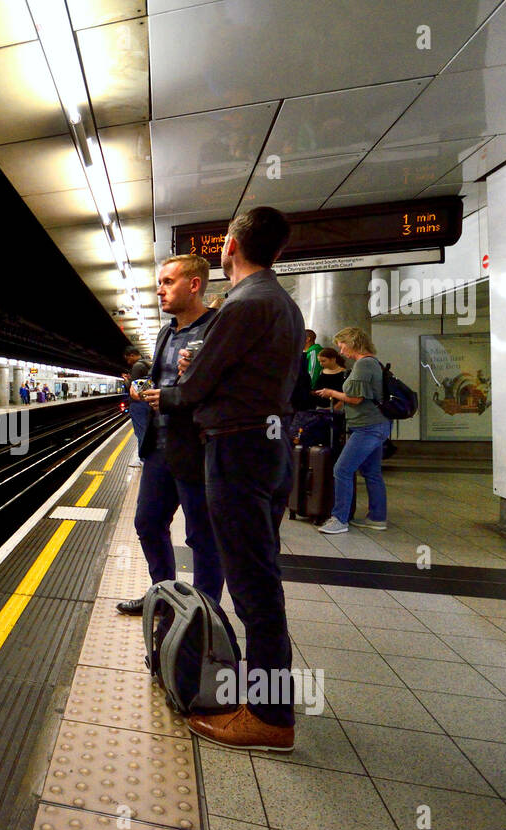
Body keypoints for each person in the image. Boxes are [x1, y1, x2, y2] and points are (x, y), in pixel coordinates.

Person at [149, 206, 303, 752]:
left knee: (254, 587)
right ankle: (268, 703)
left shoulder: (243, 303)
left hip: (237, 450)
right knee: (260, 578)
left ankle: (269, 716)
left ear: (230, 247)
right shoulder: (282, 303)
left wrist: (172, 386)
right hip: (268, 445)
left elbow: (192, 391)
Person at [119, 254, 224, 619]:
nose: (159, 291)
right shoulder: (167, 332)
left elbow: (224, 386)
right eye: (159, 283)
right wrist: (142, 390)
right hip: (160, 447)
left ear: (194, 284)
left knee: (201, 536)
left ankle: (203, 614)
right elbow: (163, 382)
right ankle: (161, 596)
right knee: (148, 522)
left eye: (167, 282)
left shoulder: (216, 328)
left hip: (196, 447)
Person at [315, 327, 391, 534]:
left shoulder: (364, 364)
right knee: (371, 472)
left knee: (342, 469)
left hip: (367, 427)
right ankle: (377, 517)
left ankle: (339, 519)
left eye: (342, 346)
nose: (341, 351)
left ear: (352, 342)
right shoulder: (373, 362)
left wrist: (332, 393)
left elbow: (357, 399)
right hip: (377, 424)